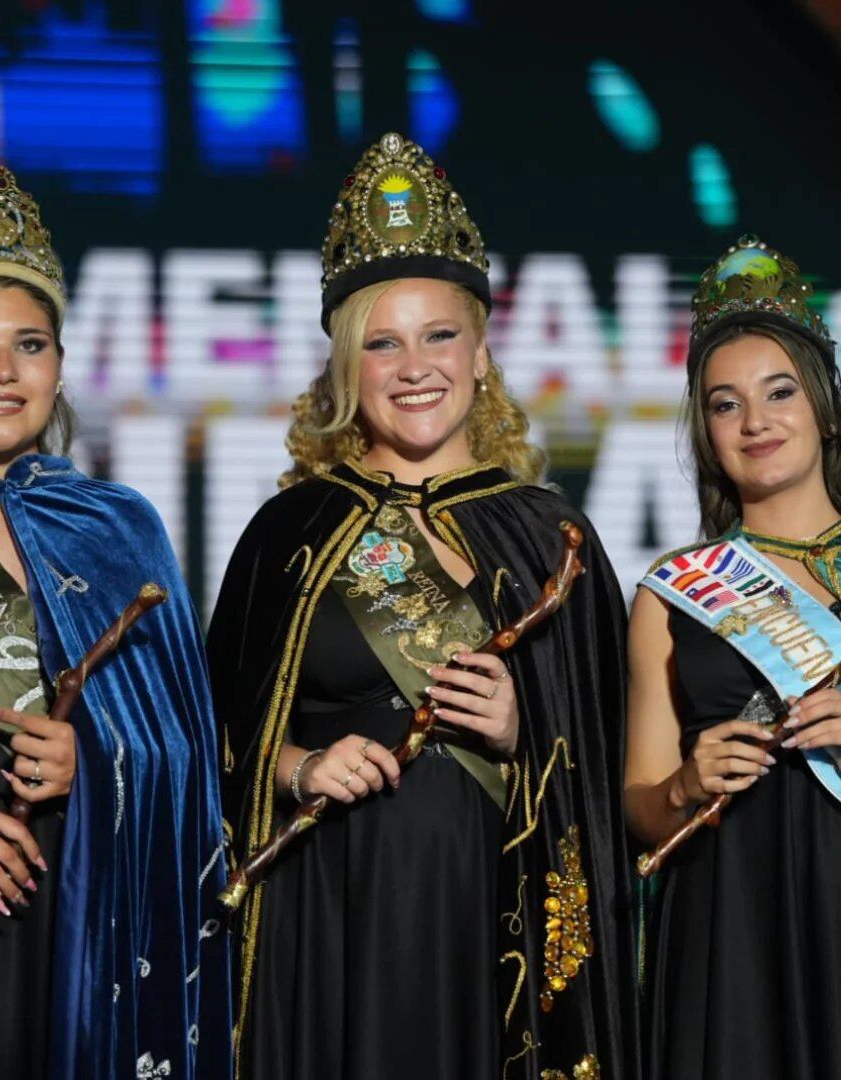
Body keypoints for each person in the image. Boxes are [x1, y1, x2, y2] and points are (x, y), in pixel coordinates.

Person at [207, 132, 640, 1080]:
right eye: (382, 343)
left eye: (439, 335)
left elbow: (620, 768)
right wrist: (297, 765)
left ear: (481, 354)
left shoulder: (549, 537)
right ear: (344, 369)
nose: (415, 366)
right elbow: (208, 742)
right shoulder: (290, 534)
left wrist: (531, 724)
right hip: (326, 914)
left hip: (493, 921)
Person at [0, 168, 231, 1079]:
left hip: (73, 924)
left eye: (29, 344)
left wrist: (96, 758)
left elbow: (188, 756)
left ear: (60, 367)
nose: (1, 371)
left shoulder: (121, 530)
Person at [624, 235, 841, 1079]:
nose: (755, 421)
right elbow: (640, 803)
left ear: (825, 404)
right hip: (728, 926)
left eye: (778, 392)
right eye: (725, 405)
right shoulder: (672, 590)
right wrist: (687, 784)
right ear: (706, 429)